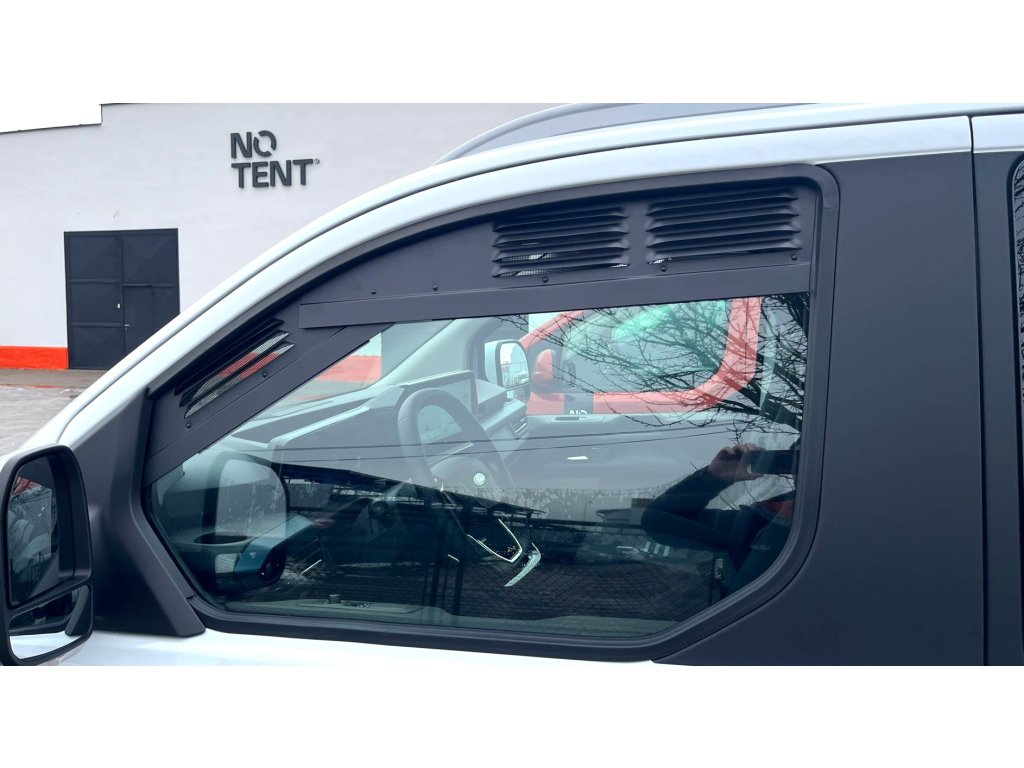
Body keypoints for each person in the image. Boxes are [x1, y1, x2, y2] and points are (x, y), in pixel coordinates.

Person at [642, 442, 796, 595]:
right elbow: (658, 523)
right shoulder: (758, 521)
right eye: (796, 460)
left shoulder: (765, 518)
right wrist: (713, 479)